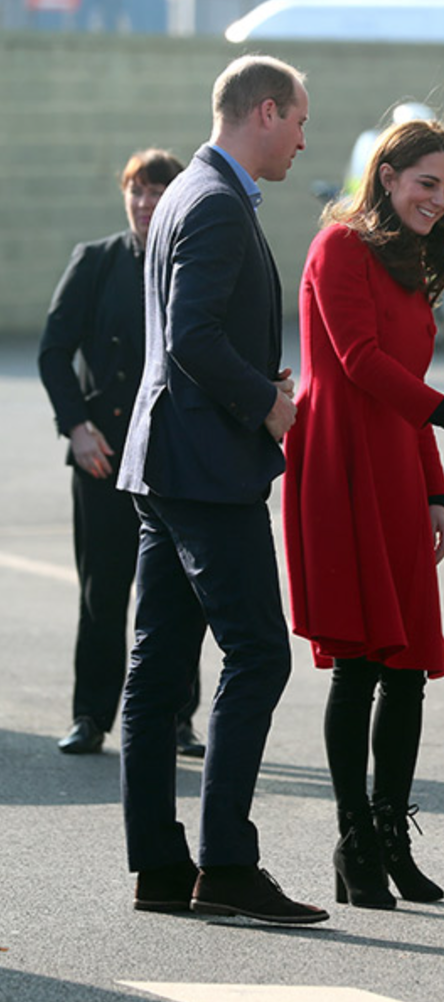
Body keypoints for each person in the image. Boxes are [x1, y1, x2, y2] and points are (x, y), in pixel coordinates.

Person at [116, 55, 328, 924]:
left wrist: (251, 379)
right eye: (301, 122)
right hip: (204, 468)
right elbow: (194, 337)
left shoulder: (189, 194)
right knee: (259, 655)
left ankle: (161, 869)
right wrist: (267, 403)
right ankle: (227, 866)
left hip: (169, 462)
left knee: (157, 668)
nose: (304, 139)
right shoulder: (211, 201)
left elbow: (193, 332)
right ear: (265, 111)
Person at [281, 119, 444, 911]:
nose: (439, 201)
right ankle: (354, 846)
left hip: (396, 470)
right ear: (387, 177)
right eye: (426, 184)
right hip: (340, 469)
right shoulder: (338, 247)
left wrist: (436, 491)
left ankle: (389, 835)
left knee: (408, 666)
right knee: (360, 661)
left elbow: (403, 383)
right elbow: (360, 364)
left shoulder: (415, 264)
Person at [39, 148, 206, 759]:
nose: (144, 204)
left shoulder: (193, 256)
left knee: (179, 596)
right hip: (102, 454)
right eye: (136, 192)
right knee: (102, 591)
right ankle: (90, 716)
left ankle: (177, 719)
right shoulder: (96, 261)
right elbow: (54, 351)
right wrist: (76, 427)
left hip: (173, 456)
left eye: (158, 192)